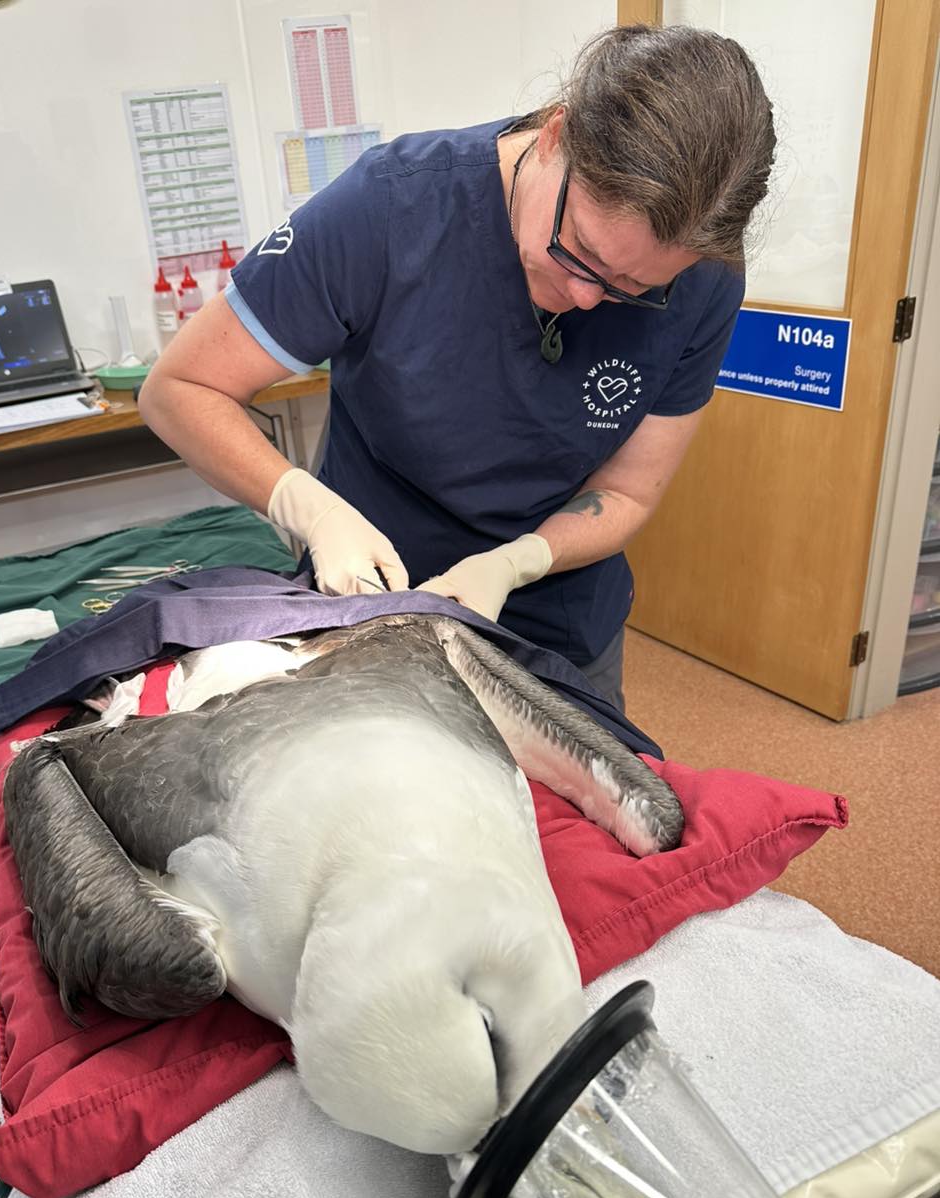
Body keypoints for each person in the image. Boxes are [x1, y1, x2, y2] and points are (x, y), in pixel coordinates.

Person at [138, 23, 775, 711]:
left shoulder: (707, 282)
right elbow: (179, 389)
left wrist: (514, 562)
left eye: (634, 288)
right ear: (555, 136)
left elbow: (627, 494)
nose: (590, 297)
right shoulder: (389, 209)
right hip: (373, 602)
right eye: (579, 250)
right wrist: (311, 510)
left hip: (559, 625)